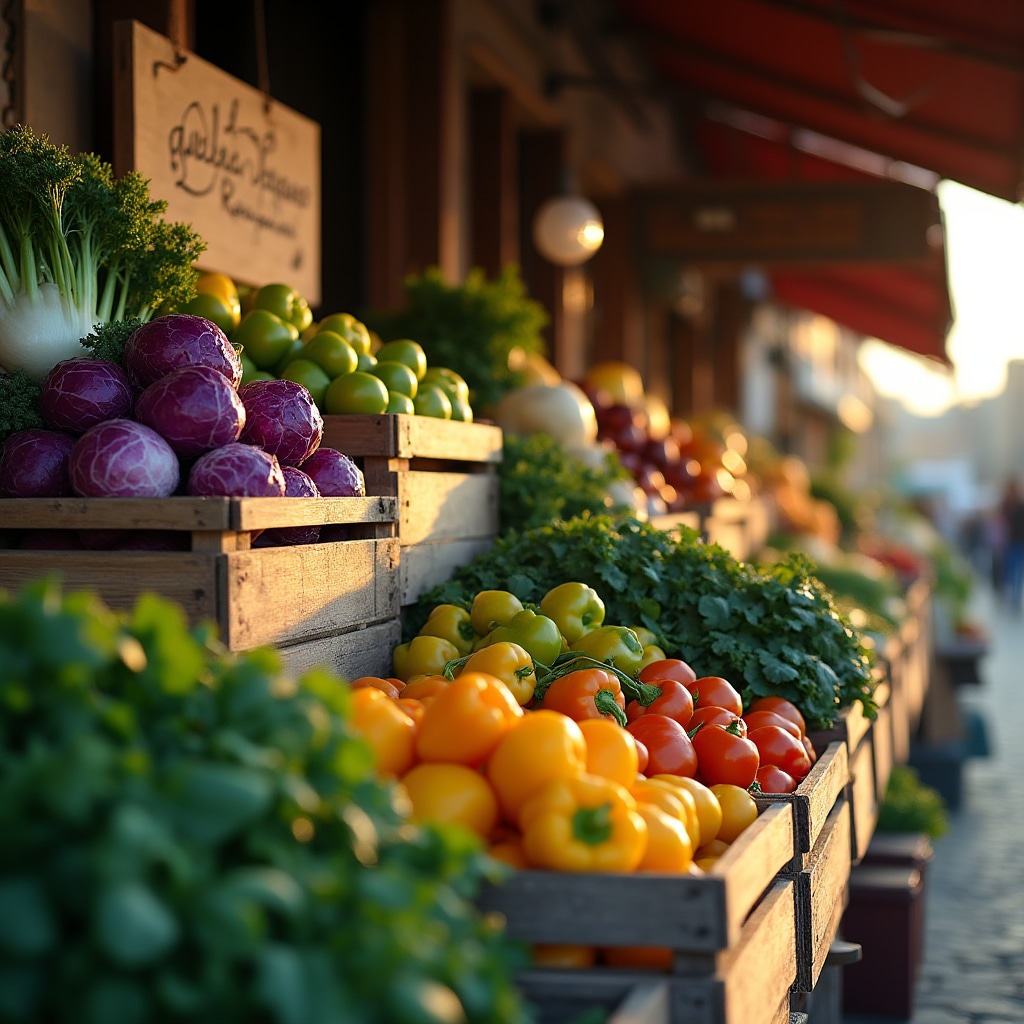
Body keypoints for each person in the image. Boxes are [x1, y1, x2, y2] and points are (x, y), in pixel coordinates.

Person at [999, 479, 1024, 609]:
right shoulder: (1007, 504)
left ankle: (1015, 597)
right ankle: (1011, 594)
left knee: (1018, 572)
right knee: (1011, 571)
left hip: (1018, 542)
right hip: (1011, 542)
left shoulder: (1019, 505)